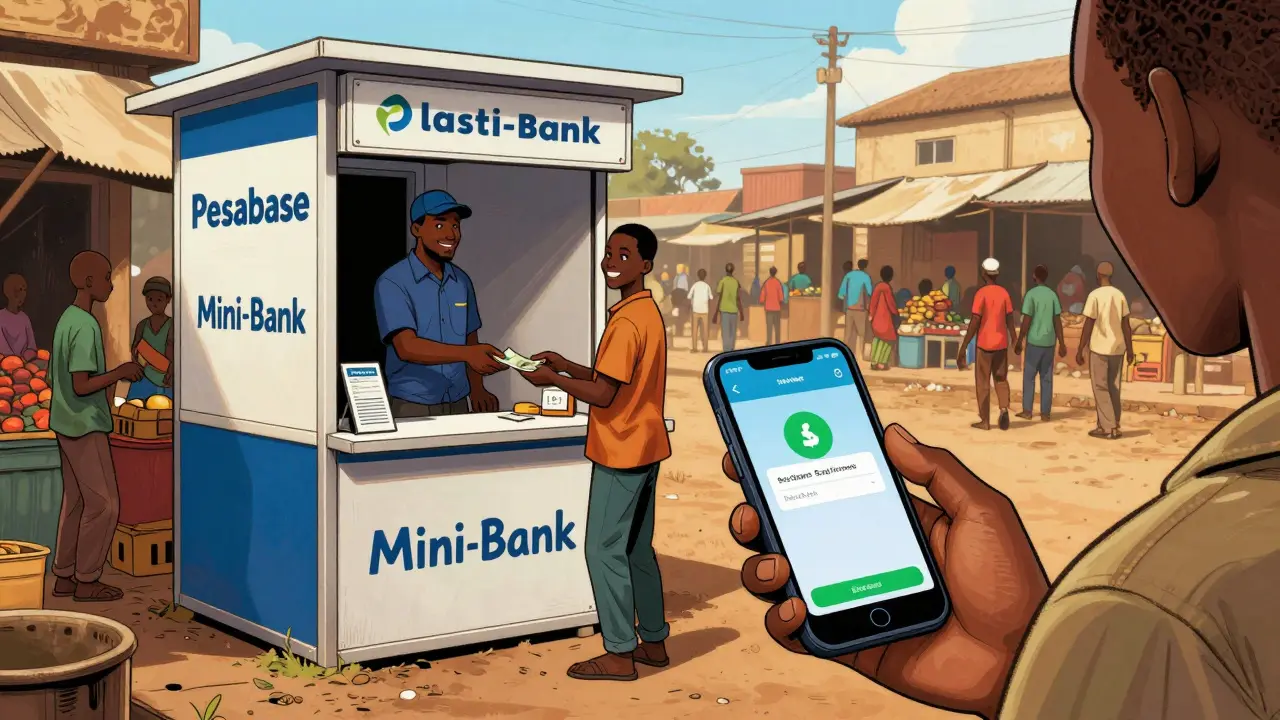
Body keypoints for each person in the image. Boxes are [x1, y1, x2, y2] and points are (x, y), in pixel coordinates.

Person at [719, 1, 1280, 715]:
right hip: (1028, 346)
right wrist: (1024, 669)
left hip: (997, 346)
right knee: (1045, 388)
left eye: (1095, 132)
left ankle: (1002, 417)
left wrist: (1080, 662)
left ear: (1179, 138)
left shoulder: (1159, 612)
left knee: (1003, 389)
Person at [523, 223, 671, 682]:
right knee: (637, 549)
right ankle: (654, 642)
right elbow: (614, 379)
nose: (611, 262)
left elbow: (605, 395)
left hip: (621, 450)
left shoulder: (625, 322)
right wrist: (567, 366)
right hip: (647, 445)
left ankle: (619, 654)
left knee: (602, 550)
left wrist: (553, 380)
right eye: (609, 253)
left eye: (624, 255)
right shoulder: (645, 313)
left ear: (645, 264)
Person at [49, 251, 145, 602]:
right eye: (106, 277)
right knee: (105, 504)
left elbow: (56, 378)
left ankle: (64, 576)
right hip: (84, 425)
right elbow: (81, 385)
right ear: (88, 282)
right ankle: (87, 580)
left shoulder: (66, 319)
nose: (110, 284)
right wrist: (120, 372)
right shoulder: (86, 325)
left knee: (75, 501)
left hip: (64, 421)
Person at [374, 190, 505, 418]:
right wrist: (468, 354)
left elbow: (470, 338)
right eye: (439, 225)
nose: (451, 234)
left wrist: (477, 388)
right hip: (412, 404)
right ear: (416, 229)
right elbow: (407, 347)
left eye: (455, 225)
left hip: (459, 402)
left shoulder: (461, 281)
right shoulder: (393, 281)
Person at [1076, 261, 1133, 439]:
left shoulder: (1095, 295)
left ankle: (1109, 428)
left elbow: (1089, 323)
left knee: (1100, 387)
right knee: (1113, 387)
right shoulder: (1120, 295)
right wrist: (1130, 349)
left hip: (1100, 347)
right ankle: (1112, 423)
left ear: (1098, 275)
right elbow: (1126, 325)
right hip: (1118, 348)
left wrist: (1080, 348)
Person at [958, 258, 1015, 431]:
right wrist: (1014, 338)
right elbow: (1010, 318)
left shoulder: (981, 294)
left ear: (983, 274)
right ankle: (1004, 408)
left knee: (983, 382)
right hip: (1001, 344)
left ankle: (985, 420)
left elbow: (975, 320)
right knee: (1001, 379)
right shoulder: (1004, 293)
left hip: (984, 345)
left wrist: (964, 345)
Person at [1014, 265, 1067, 421]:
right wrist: (1062, 342)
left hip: (1034, 341)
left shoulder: (1031, 295)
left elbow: (1027, 319)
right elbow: (1057, 321)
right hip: (1049, 342)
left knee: (1029, 376)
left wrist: (1020, 340)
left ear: (1034, 276)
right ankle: (1045, 413)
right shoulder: (1052, 295)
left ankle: (1027, 410)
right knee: (1046, 378)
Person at [127, 277, 174, 400]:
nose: (154, 303)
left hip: (166, 380)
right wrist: (137, 358)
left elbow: (174, 352)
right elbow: (135, 348)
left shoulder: (172, 325)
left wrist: (171, 371)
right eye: (150, 299)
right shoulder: (142, 325)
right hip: (144, 379)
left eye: (159, 299)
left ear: (168, 299)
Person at [837, 259, 873, 355]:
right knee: (862, 334)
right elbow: (870, 292)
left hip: (849, 309)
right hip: (861, 309)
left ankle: (844, 353)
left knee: (848, 334)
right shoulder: (866, 277)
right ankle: (861, 355)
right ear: (866, 267)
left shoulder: (848, 275)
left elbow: (841, 294)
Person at [867, 266, 898, 371]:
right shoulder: (887, 288)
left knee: (877, 338)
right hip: (885, 318)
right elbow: (891, 304)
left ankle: (874, 361)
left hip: (876, 318)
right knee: (889, 339)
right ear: (891, 276)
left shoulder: (877, 287)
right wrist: (896, 313)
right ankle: (882, 362)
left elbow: (873, 302)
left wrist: (871, 314)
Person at [0, 273, 36, 357]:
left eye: (24, 290)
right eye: (19, 290)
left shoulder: (24, 318)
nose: (22, 294)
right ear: (8, 293)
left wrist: (27, 356)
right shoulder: (1, 317)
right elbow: (3, 350)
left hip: (24, 362)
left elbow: (32, 347)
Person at [712, 263, 745, 351]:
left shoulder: (722, 281)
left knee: (725, 332)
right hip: (734, 310)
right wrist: (741, 312)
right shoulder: (736, 282)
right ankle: (731, 349)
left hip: (724, 310)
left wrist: (716, 311)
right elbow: (738, 298)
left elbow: (719, 296)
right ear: (733, 270)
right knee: (733, 333)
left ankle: (726, 350)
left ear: (725, 270)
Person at [759, 266, 787, 346]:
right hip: (777, 308)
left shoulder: (766, 283)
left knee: (769, 327)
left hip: (768, 308)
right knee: (777, 327)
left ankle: (769, 342)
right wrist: (782, 304)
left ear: (770, 272)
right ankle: (777, 342)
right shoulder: (778, 283)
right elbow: (781, 297)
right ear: (776, 272)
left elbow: (762, 295)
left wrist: (762, 301)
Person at [687, 269, 713, 353]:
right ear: (705, 276)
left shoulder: (695, 285)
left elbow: (689, 296)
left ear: (698, 276)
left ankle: (694, 348)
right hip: (705, 310)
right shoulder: (707, 286)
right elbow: (711, 297)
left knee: (695, 330)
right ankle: (705, 348)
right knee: (705, 330)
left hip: (695, 310)